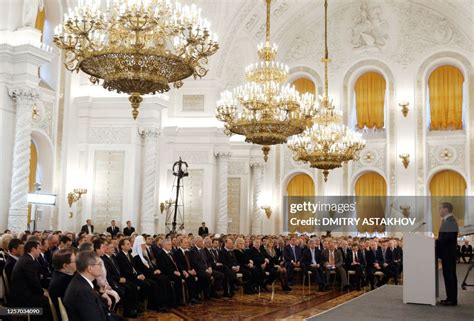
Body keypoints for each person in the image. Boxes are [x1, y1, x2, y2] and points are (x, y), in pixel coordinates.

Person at [63, 250, 121, 321]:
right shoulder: (82, 292)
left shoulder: (81, 280)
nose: (102, 267)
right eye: (99, 264)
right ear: (90, 268)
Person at [10, 240, 52, 321]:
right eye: (39, 249)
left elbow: (33, 281)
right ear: (33, 249)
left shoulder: (26, 258)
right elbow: (33, 282)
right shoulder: (28, 261)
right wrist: (43, 292)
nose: (40, 251)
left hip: (23, 292)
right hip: (22, 297)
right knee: (46, 301)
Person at [436, 202, 459, 306]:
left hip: (448, 254)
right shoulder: (448, 221)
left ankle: (451, 299)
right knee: (449, 276)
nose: (439, 210)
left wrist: (435, 241)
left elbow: (448, 238)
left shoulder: (450, 221)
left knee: (450, 276)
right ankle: (450, 298)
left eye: (440, 208)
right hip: (448, 253)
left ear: (445, 209)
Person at [49, 249, 77, 320]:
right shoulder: (62, 282)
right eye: (75, 261)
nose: (78, 263)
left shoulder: (62, 275)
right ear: (65, 266)